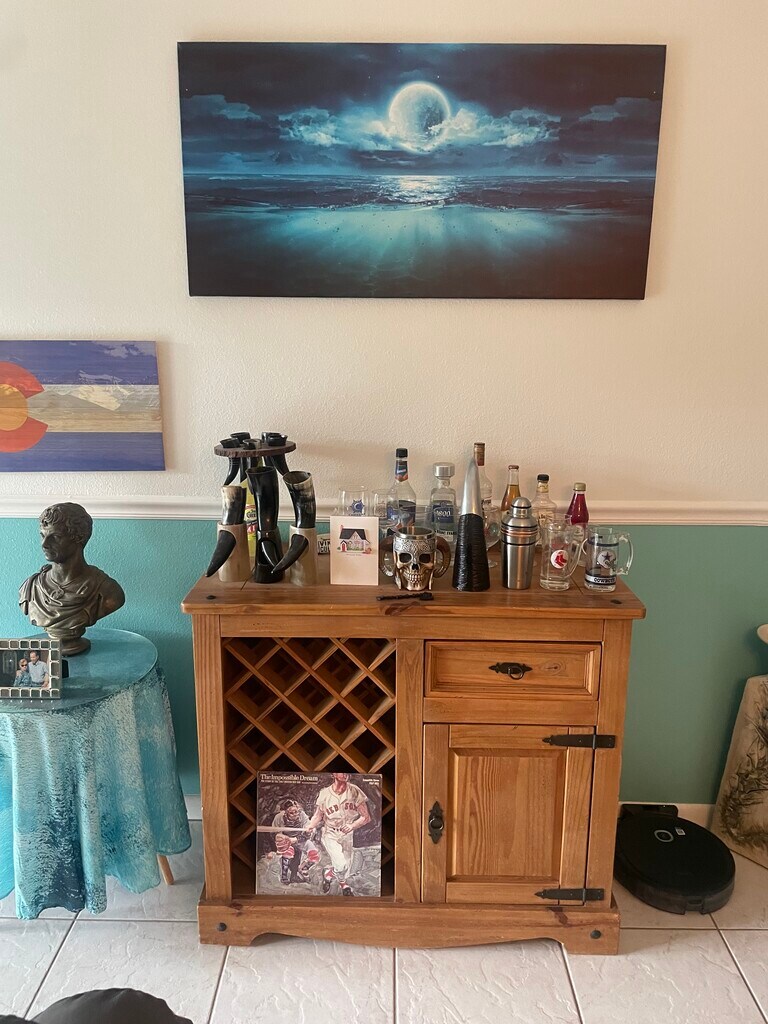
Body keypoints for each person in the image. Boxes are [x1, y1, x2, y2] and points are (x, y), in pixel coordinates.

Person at [19, 503, 125, 656]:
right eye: (42, 535)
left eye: (55, 537)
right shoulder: (31, 587)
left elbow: (115, 600)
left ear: (78, 538)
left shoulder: (107, 591)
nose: (44, 544)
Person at [306, 772, 371, 896]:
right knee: (340, 865)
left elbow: (366, 817)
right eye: (342, 772)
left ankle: (328, 874)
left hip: (347, 834)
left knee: (346, 868)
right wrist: (311, 825)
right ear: (334, 774)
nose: (345, 774)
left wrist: (352, 826)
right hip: (330, 833)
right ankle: (344, 885)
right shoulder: (324, 793)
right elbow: (318, 815)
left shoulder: (354, 791)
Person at [271, 798, 313, 885]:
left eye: (296, 812)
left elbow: (308, 831)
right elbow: (274, 832)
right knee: (287, 854)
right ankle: (284, 877)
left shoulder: (302, 816)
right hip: (285, 838)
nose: (295, 814)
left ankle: (294, 876)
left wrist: (298, 838)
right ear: (286, 812)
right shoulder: (279, 818)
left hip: (298, 838)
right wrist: (281, 837)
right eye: (291, 813)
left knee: (298, 853)